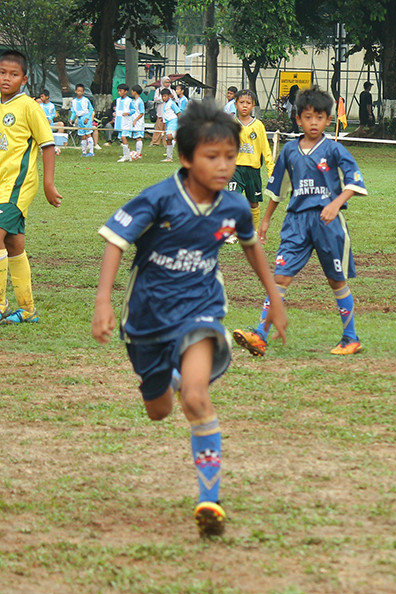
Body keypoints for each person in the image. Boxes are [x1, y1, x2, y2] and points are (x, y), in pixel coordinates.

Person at [91, 101, 288, 538]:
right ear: (186, 158)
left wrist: (274, 297)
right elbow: (115, 242)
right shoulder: (160, 199)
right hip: (145, 318)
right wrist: (103, 301)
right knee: (159, 410)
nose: (223, 166)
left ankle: (209, 502)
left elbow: (252, 247)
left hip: (201, 310)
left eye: (230, 156)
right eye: (211, 157)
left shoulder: (234, 205)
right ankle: (168, 378)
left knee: (197, 400)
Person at [232, 87, 368, 357]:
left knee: (335, 281)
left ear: (328, 120)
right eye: (308, 117)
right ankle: (260, 336)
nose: (313, 123)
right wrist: (267, 220)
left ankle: (350, 337)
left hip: (328, 223)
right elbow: (277, 188)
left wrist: (335, 203)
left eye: (319, 117)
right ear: (298, 119)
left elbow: (355, 182)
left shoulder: (334, 149)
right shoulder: (290, 151)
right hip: (296, 223)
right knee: (279, 277)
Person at [0, 50, 62, 325]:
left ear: (24, 79)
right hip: (1, 183)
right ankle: (27, 309)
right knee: (13, 243)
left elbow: (47, 145)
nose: (6, 78)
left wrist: (48, 183)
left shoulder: (28, 106)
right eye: (2, 72)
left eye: (13, 74)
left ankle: (1, 306)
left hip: (17, 185)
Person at [227, 89, 274, 237]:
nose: (244, 106)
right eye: (241, 102)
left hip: (253, 170)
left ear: (253, 105)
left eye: (248, 103)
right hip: (235, 169)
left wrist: (270, 169)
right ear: (235, 104)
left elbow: (265, 148)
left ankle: (252, 231)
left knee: (253, 203)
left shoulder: (258, 125)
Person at [70, 83, 96, 157]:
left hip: (86, 118)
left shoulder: (86, 100)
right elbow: (73, 111)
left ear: (83, 92)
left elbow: (91, 110)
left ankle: (91, 151)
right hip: (79, 119)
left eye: (81, 91)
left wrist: (87, 118)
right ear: (75, 91)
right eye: (78, 91)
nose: (79, 92)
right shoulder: (74, 101)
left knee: (88, 134)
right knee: (82, 136)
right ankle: (84, 152)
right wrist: (71, 119)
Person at [151, 77, 176, 147]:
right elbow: (155, 99)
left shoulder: (172, 91)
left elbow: (176, 100)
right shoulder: (158, 90)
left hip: (169, 114)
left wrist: (172, 97)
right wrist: (163, 98)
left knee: (167, 129)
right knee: (158, 128)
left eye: (169, 82)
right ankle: (155, 142)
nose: (167, 84)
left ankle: (166, 143)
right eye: (166, 82)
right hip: (160, 112)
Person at [113, 83, 135, 162]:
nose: (119, 93)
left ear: (125, 91)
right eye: (118, 91)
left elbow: (133, 110)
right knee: (122, 138)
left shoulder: (129, 100)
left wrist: (128, 113)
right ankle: (128, 155)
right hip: (119, 121)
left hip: (126, 121)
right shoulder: (118, 100)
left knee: (123, 137)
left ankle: (126, 156)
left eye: (121, 91)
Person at [160, 87, 181, 162]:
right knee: (168, 140)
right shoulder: (165, 104)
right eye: (162, 96)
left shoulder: (172, 103)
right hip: (168, 122)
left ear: (169, 96)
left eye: (165, 96)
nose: (163, 98)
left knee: (169, 136)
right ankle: (169, 157)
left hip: (173, 121)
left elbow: (178, 112)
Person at [129, 85, 146, 158]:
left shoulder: (140, 101)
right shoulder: (134, 101)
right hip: (134, 121)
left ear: (135, 92)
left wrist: (135, 120)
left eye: (132, 91)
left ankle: (139, 153)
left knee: (138, 137)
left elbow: (142, 113)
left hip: (138, 122)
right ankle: (137, 153)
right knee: (136, 137)